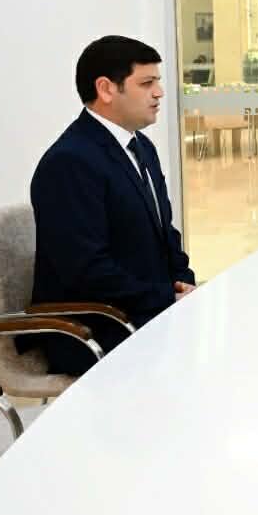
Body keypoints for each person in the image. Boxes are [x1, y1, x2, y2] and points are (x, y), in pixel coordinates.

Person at [24, 36, 197, 375]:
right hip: (95, 326)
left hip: (143, 308)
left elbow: (165, 233)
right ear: (105, 89)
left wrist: (182, 281)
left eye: (158, 81)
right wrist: (164, 297)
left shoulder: (141, 146)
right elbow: (86, 270)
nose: (159, 92)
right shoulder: (69, 162)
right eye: (146, 83)